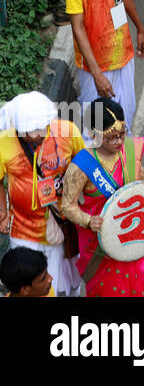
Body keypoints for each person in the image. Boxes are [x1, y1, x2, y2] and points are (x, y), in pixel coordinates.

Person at [60, 97, 144, 297]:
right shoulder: (81, 165)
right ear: (92, 134)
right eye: (111, 137)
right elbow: (67, 206)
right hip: (101, 242)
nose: (119, 142)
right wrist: (88, 221)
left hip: (135, 233)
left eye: (122, 134)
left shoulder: (130, 151)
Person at [0, 91, 86, 295]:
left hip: (64, 225)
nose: (31, 136)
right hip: (23, 230)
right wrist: (2, 211)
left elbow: (84, 166)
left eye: (37, 131)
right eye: (25, 131)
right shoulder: (4, 141)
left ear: (48, 121)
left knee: (70, 283)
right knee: (31, 287)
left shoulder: (67, 131)